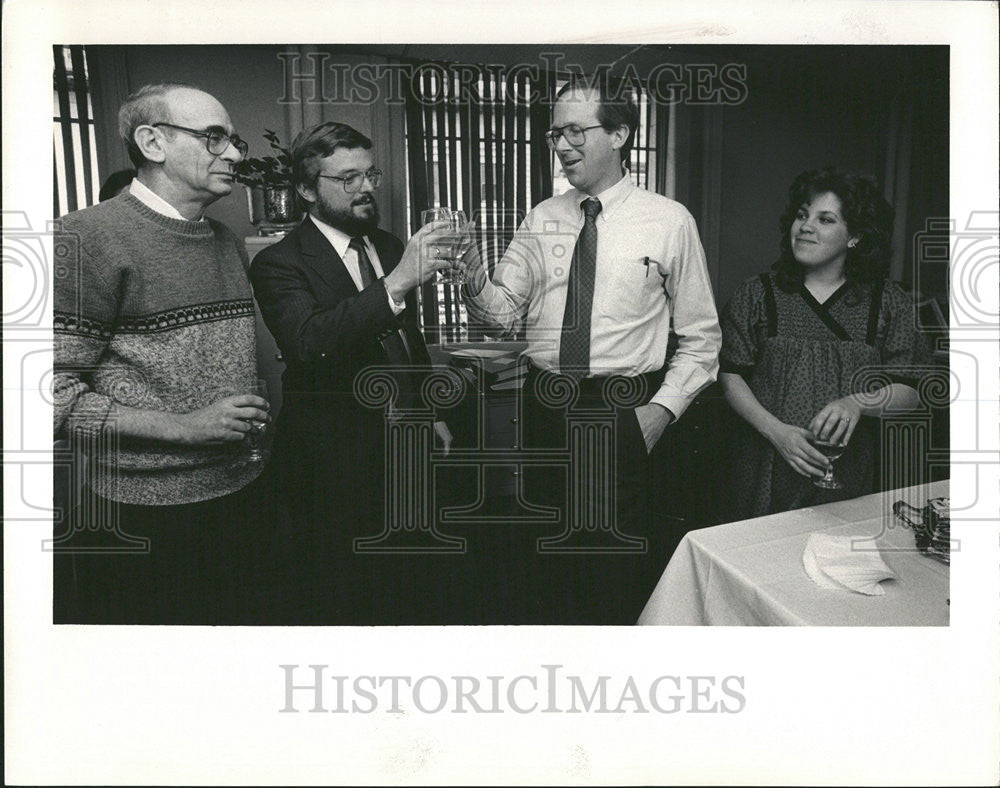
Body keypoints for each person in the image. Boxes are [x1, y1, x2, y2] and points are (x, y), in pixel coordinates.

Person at [461, 76, 721, 624]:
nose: (561, 144)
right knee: (545, 555)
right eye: (556, 132)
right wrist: (472, 275)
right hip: (544, 405)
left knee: (617, 562)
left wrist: (659, 412)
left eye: (576, 130)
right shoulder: (542, 217)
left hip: (624, 408)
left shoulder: (669, 221)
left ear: (621, 133)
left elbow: (702, 339)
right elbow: (501, 316)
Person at [53, 83, 272, 624]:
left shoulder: (223, 238)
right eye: (214, 138)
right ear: (152, 142)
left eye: (234, 139)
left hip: (240, 494)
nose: (237, 154)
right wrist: (185, 427)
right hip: (143, 516)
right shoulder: (84, 238)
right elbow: (44, 395)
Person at [249, 121, 455, 624]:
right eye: (347, 179)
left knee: (408, 578)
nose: (365, 188)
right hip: (331, 455)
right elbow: (309, 341)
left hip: (404, 444)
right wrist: (402, 279)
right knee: (342, 589)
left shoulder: (384, 244)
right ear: (305, 189)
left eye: (370, 174)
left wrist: (428, 411)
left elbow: (406, 338)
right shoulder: (280, 262)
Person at [718, 166, 932, 520]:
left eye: (825, 219)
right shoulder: (759, 294)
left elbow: (911, 389)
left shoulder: (887, 301)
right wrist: (776, 432)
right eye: (803, 215)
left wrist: (857, 403)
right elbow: (729, 375)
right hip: (764, 465)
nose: (806, 227)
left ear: (856, 236)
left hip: (849, 474)